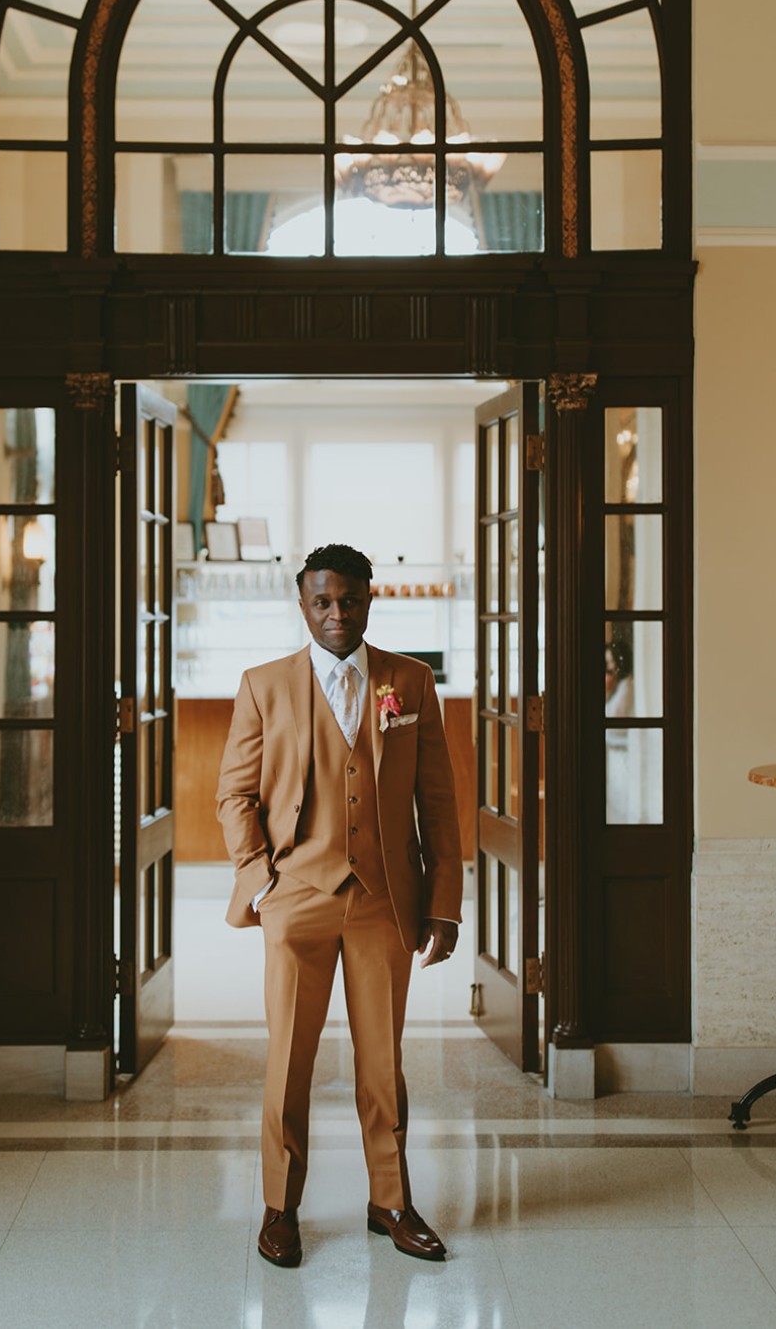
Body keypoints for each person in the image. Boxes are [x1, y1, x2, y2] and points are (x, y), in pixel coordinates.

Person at [216, 542, 463, 1269]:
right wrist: (261, 878)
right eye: (321, 600)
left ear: (368, 599)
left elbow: (440, 803)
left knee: (382, 1061)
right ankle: (278, 1204)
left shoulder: (410, 682)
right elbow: (235, 793)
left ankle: (390, 1201)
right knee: (288, 1057)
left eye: (348, 599)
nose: (336, 613)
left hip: (387, 900)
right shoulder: (264, 685)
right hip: (297, 897)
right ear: (302, 603)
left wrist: (443, 901)